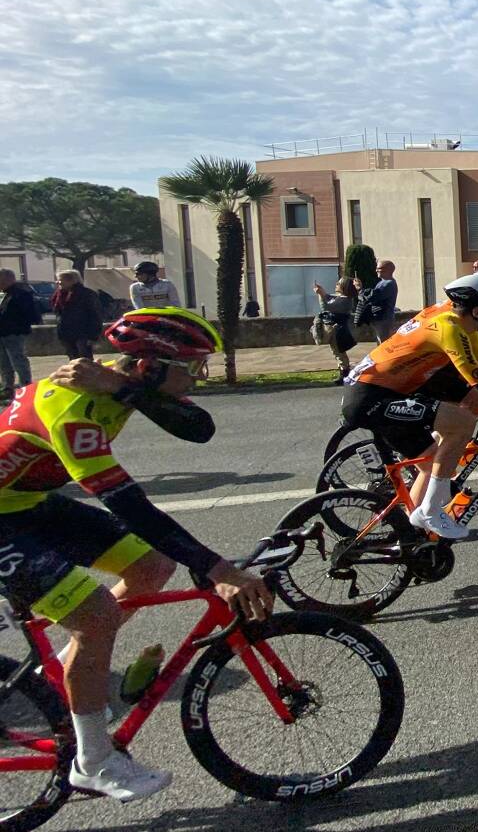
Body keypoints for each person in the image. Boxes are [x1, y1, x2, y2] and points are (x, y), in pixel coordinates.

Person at [0, 308, 272, 801]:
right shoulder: (74, 409)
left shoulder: (118, 386)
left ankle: (60, 676)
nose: (198, 375)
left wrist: (126, 391)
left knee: (151, 567)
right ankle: (93, 761)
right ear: (149, 365)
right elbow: (135, 510)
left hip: (23, 501)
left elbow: (199, 428)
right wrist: (220, 568)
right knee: (95, 616)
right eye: (190, 366)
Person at [342, 271, 478, 539]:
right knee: (461, 422)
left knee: (434, 463)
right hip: (370, 395)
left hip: (379, 392)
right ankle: (430, 510)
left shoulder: (466, 327)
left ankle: (411, 536)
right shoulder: (450, 327)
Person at [0, 268, 38, 401]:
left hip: (14, 332)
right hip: (3, 332)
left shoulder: (21, 293)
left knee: (18, 360)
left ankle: (25, 387)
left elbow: (26, 313)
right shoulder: (4, 293)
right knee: (4, 363)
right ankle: (7, 388)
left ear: (9, 279)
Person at [52, 270, 104, 360]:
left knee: (85, 360)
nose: (57, 282)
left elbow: (96, 315)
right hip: (66, 334)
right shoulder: (59, 295)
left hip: (83, 333)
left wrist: (93, 336)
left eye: (60, 280)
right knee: (73, 360)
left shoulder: (87, 294)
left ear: (71, 280)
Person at [313, 278, 356, 383]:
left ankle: (345, 375)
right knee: (336, 351)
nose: (336, 284)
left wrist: (320, 295)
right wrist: (322, 292)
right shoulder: (341, 298)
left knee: (339, 351)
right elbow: (329, 298)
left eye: (339, 283)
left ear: (344, 286)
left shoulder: (346, 300)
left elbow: (326, 306)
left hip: (338, 330)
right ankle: (343, 373)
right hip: (335, 328)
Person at [369, 260, 400, 341]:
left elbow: (373, 297)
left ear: (388, 270)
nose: (376, 270)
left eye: (379, 268)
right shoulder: (382, 282)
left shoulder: (388, 283)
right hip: (381, 318)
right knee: (381, 342)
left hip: (384, 319)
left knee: (384, 343)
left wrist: (360, 289)